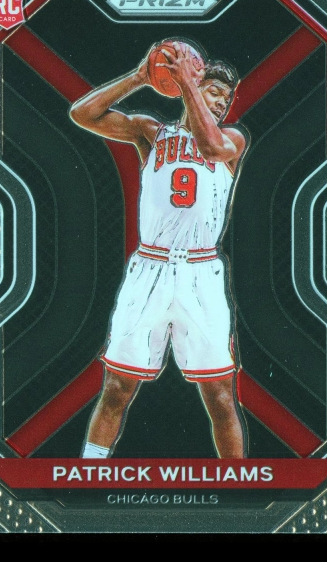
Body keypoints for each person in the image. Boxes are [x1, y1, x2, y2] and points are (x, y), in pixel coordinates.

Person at [69, 40, 248, 458]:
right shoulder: (151, 133)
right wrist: (139, 76)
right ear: (193, 87)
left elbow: (210, 148)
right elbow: (82, 114)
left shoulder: (232, 139)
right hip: (149, 269)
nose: (221, 103)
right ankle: (91, 476)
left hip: (201, 274)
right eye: (214, 92)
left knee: (221, 394)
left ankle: (237, 486)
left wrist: (189, 86)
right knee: (116, 387)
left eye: (226, 99)